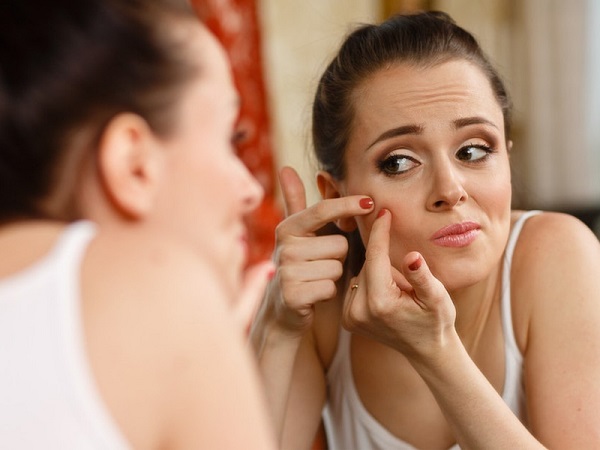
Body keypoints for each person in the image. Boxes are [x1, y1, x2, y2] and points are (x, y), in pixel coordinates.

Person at [252, 10, 600, 450]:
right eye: (399, 162)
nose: (450, 190)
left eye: (473, 150)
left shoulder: (556, 255)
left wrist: (436, 352)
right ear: (337, 196)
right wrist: (278, 327)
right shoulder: (319, 301)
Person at [0, 0, 277, 448]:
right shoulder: (162, 293)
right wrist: (200, 362)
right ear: (134, 165)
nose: (250, 191)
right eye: (231, 139)